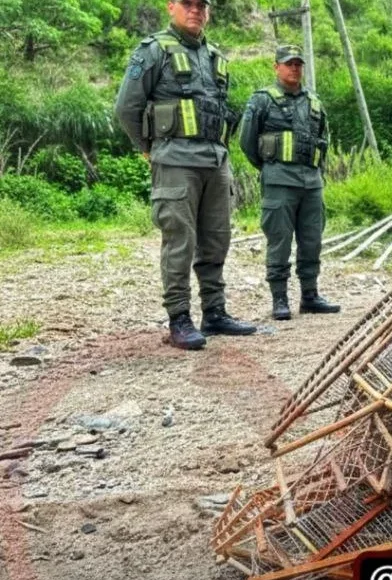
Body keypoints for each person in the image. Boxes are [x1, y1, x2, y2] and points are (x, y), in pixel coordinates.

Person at [114, 0, 257, 350]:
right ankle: (179, 318)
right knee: (179, 239)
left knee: (217, 238)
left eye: (201, 5)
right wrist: (148, 148)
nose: (196, 10)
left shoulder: (214, 55)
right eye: (188, 3)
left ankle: (215, 312)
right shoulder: (153, 50)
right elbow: (126, 107)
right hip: (175, 159)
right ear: (171, 6)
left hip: (215, 160)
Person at [238, 45, 340, 320]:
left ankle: (310, 295)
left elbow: (324, 140)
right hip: (279, 181)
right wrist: (269, 168)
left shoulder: (314, 102)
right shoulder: (262, 100)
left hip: (311, 182)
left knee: (312, 239)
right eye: (288, 63)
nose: (294, 68)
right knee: (279, 240)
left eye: (298, 64)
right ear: (276, 67)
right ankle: (280, 299)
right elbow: (247, 142)